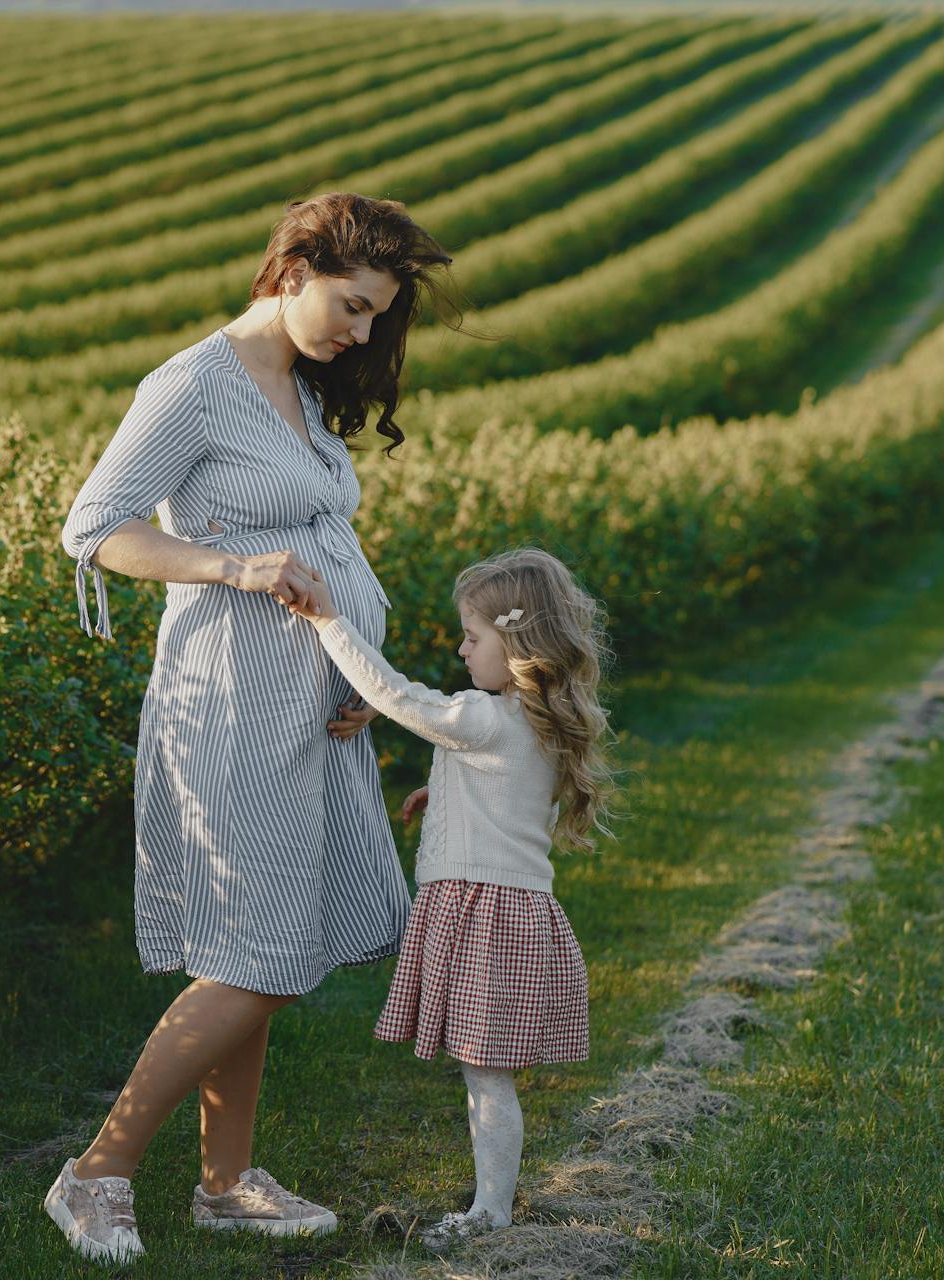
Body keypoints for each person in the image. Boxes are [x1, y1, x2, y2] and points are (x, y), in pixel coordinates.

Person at [45, 193, 465, 1265]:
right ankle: (97, 1171)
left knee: (262, 944)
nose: (362, 334)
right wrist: (232, 565)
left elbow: (320, 541)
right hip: (230, 702)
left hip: (310, 710)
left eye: (376, 316)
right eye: (352, 305)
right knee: (261, 956)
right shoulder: (192, 384)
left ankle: (227, 1180)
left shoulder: (300, 385)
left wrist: (361, 671)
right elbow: (95, 526)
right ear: (292, 269)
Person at [285, 545, 618, 1251]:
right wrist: (449, 790)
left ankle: (492, 1215)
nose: (462, 650)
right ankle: (490, 1204)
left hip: (482, 917)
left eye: (472, 636)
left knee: (487, 1077)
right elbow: (509, 788)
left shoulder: (483, 715)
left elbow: (406, 699)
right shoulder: (537, 721)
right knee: (484, 1072)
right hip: (511, 915)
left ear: (518, 642)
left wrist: (328, 623)